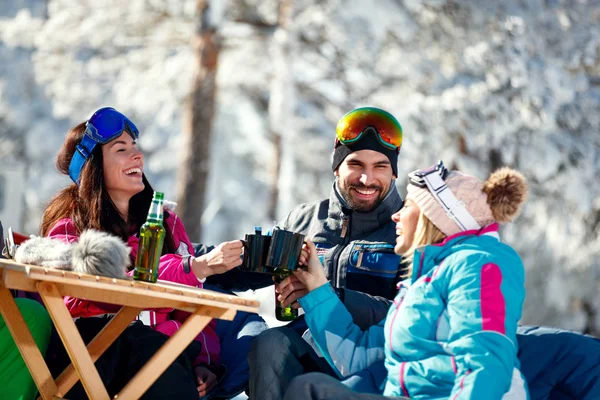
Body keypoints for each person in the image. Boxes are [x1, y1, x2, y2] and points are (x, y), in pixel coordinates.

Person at [39, 107, 243, 399]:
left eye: (135, 147)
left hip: (163, 356)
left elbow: (191, 308)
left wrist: (203, 363)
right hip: (91, 359)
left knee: (162, 355)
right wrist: (191, 268)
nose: (137, 156)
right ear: (92, 167)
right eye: (121, 149)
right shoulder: (70, 230)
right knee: (152, 350)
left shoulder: (166, 225)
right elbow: (77, 299)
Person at [283, 162, 529, 399]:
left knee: (308, 391)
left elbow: (486, 361)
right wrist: (316, 288)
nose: (395, 216)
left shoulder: (477, 265)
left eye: (408, 205)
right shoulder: (419, 285)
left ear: (435, 218)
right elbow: (357, 358)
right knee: (310, 390)